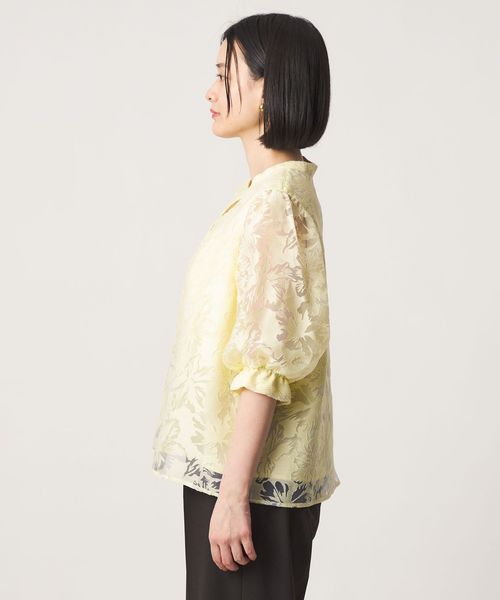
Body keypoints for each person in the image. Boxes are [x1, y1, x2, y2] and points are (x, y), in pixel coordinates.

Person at [152, 12, 341, 599]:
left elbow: (266, 362)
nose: (209, 91)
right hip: (237, 477)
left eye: (223, 73)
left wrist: (233, 495)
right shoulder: (266, 195)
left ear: (269, 86)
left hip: (249, 486)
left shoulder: (276, 204)